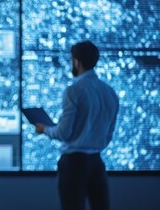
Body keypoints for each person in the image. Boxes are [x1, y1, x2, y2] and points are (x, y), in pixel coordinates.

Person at [34, 41, 119, 210]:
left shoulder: (74, 90)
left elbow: (64, 133)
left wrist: (45, 129)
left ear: (77, 62)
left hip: (73, 164)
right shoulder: (109, 92)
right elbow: (109, 134)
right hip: (97, 162)